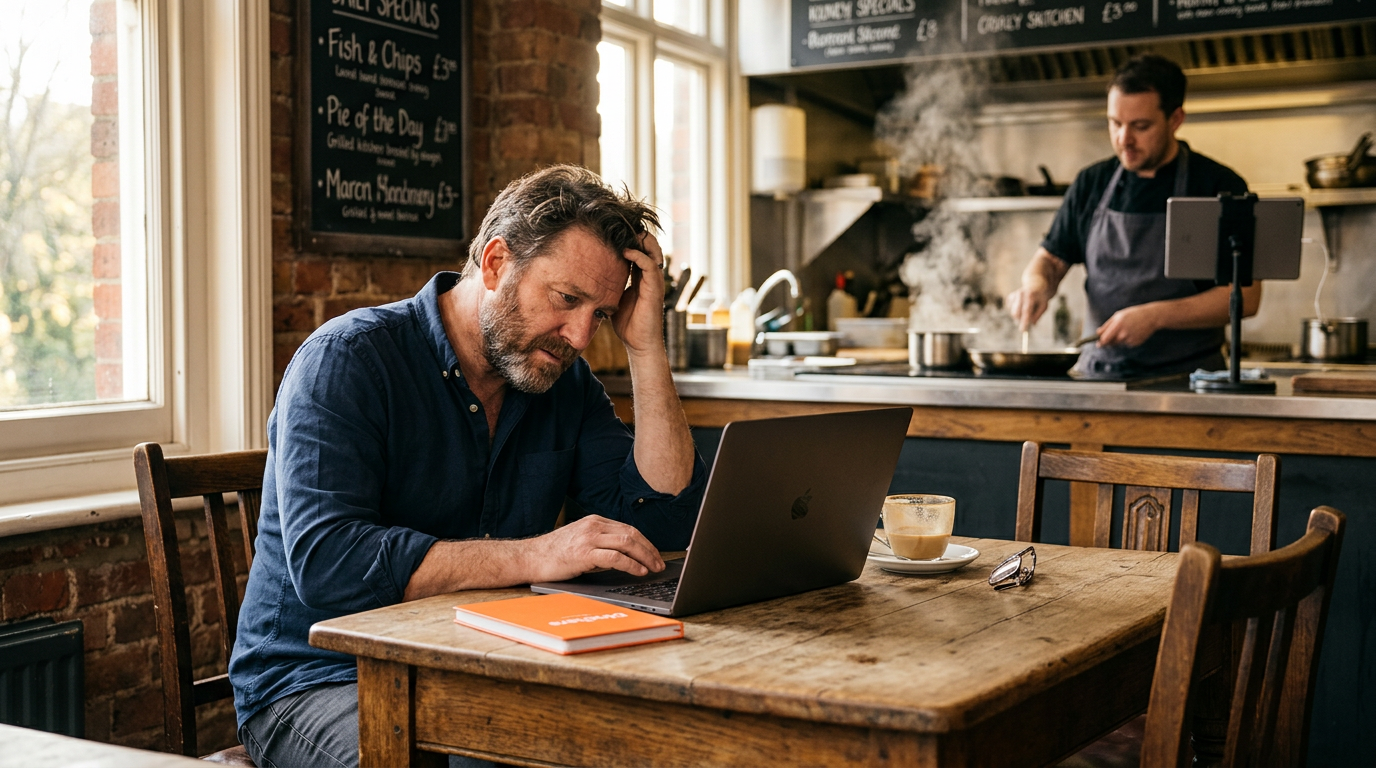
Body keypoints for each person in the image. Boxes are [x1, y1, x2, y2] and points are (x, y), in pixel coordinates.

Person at [229, 165, 708, 768]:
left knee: (650, 746)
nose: (582, 335)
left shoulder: (562, 382)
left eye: (602, 315)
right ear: (495, 262)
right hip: (318, 681)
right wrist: (536, 555)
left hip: (487, 665)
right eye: (567, 300)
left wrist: (645, 345)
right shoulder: (347, 361)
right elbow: (331, 564)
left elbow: (658, 525)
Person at [1006, 54, 1260, 378]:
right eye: (1115, 123)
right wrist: (1036, 286)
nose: (1124, 139)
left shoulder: (1217, 185)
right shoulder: (1092, 183)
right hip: (1099, 377)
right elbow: (1051, 260)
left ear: (1176, 119)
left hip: (1189, 382)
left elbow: (1246, 297)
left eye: (1140, 126)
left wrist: (1155, 316)